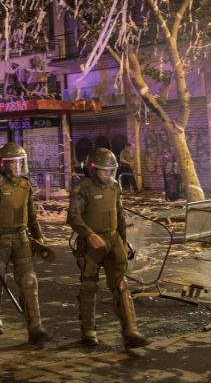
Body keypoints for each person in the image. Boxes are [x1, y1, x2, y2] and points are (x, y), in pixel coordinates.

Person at [67, 147, 149, 349]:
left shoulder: (114, 187)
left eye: (111, 170)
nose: (107, 174)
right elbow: (73, 216)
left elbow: (120, 216)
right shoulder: (82, 188)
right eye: (104, 170)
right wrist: (89, 235)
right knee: (88, 287)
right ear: (93, 169)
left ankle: (130, 331)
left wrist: (124, 240)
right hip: (91, 245)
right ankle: (89, 331)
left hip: (113, 240)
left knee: (120, 285)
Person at [0, 142, 51, 344]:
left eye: (19, 162)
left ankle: (35, 326)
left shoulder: (25, 185)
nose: (17, 166)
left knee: (29, 281)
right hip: (0, 240)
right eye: (12, 163)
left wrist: (39, 236)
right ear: (3, 164)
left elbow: (32, 214)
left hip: (22, 238)